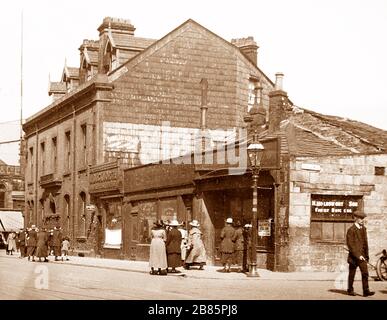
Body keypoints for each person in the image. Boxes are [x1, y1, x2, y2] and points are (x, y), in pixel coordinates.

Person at [346, 211, 375, 297]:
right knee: (352, 274)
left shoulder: (364, 229)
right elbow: (351, 245)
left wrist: (366, 255)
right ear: (356, 219)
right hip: (354, 257)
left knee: (365, 273)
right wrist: (358, 255)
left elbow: (365, 243)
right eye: (361, 218)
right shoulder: (351, 230)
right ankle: (350, 289)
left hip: (363, 256)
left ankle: (366, 291)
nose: (362, 220)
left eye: (363, 218)